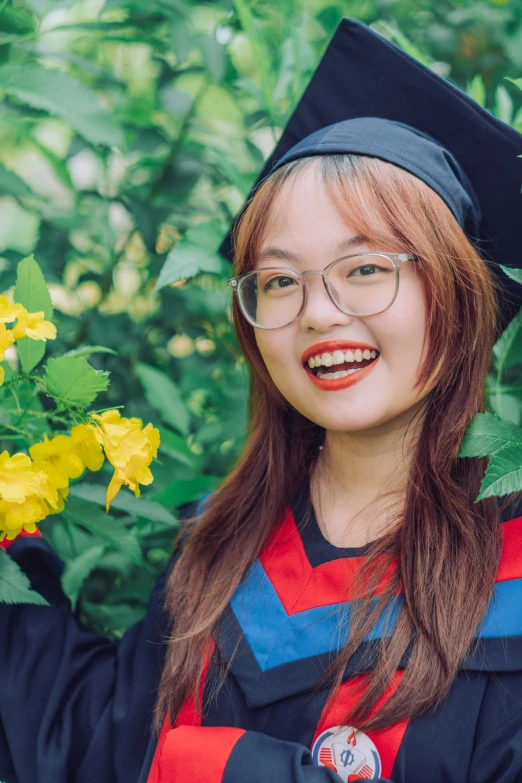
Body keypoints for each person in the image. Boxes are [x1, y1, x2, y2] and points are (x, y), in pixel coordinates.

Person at [2, 16, 522, 783]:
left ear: (457, 288)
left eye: (366, 267)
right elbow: (94, 745)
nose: (317, 311)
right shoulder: (220, 546)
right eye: (279, 279)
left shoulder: (509, 582)